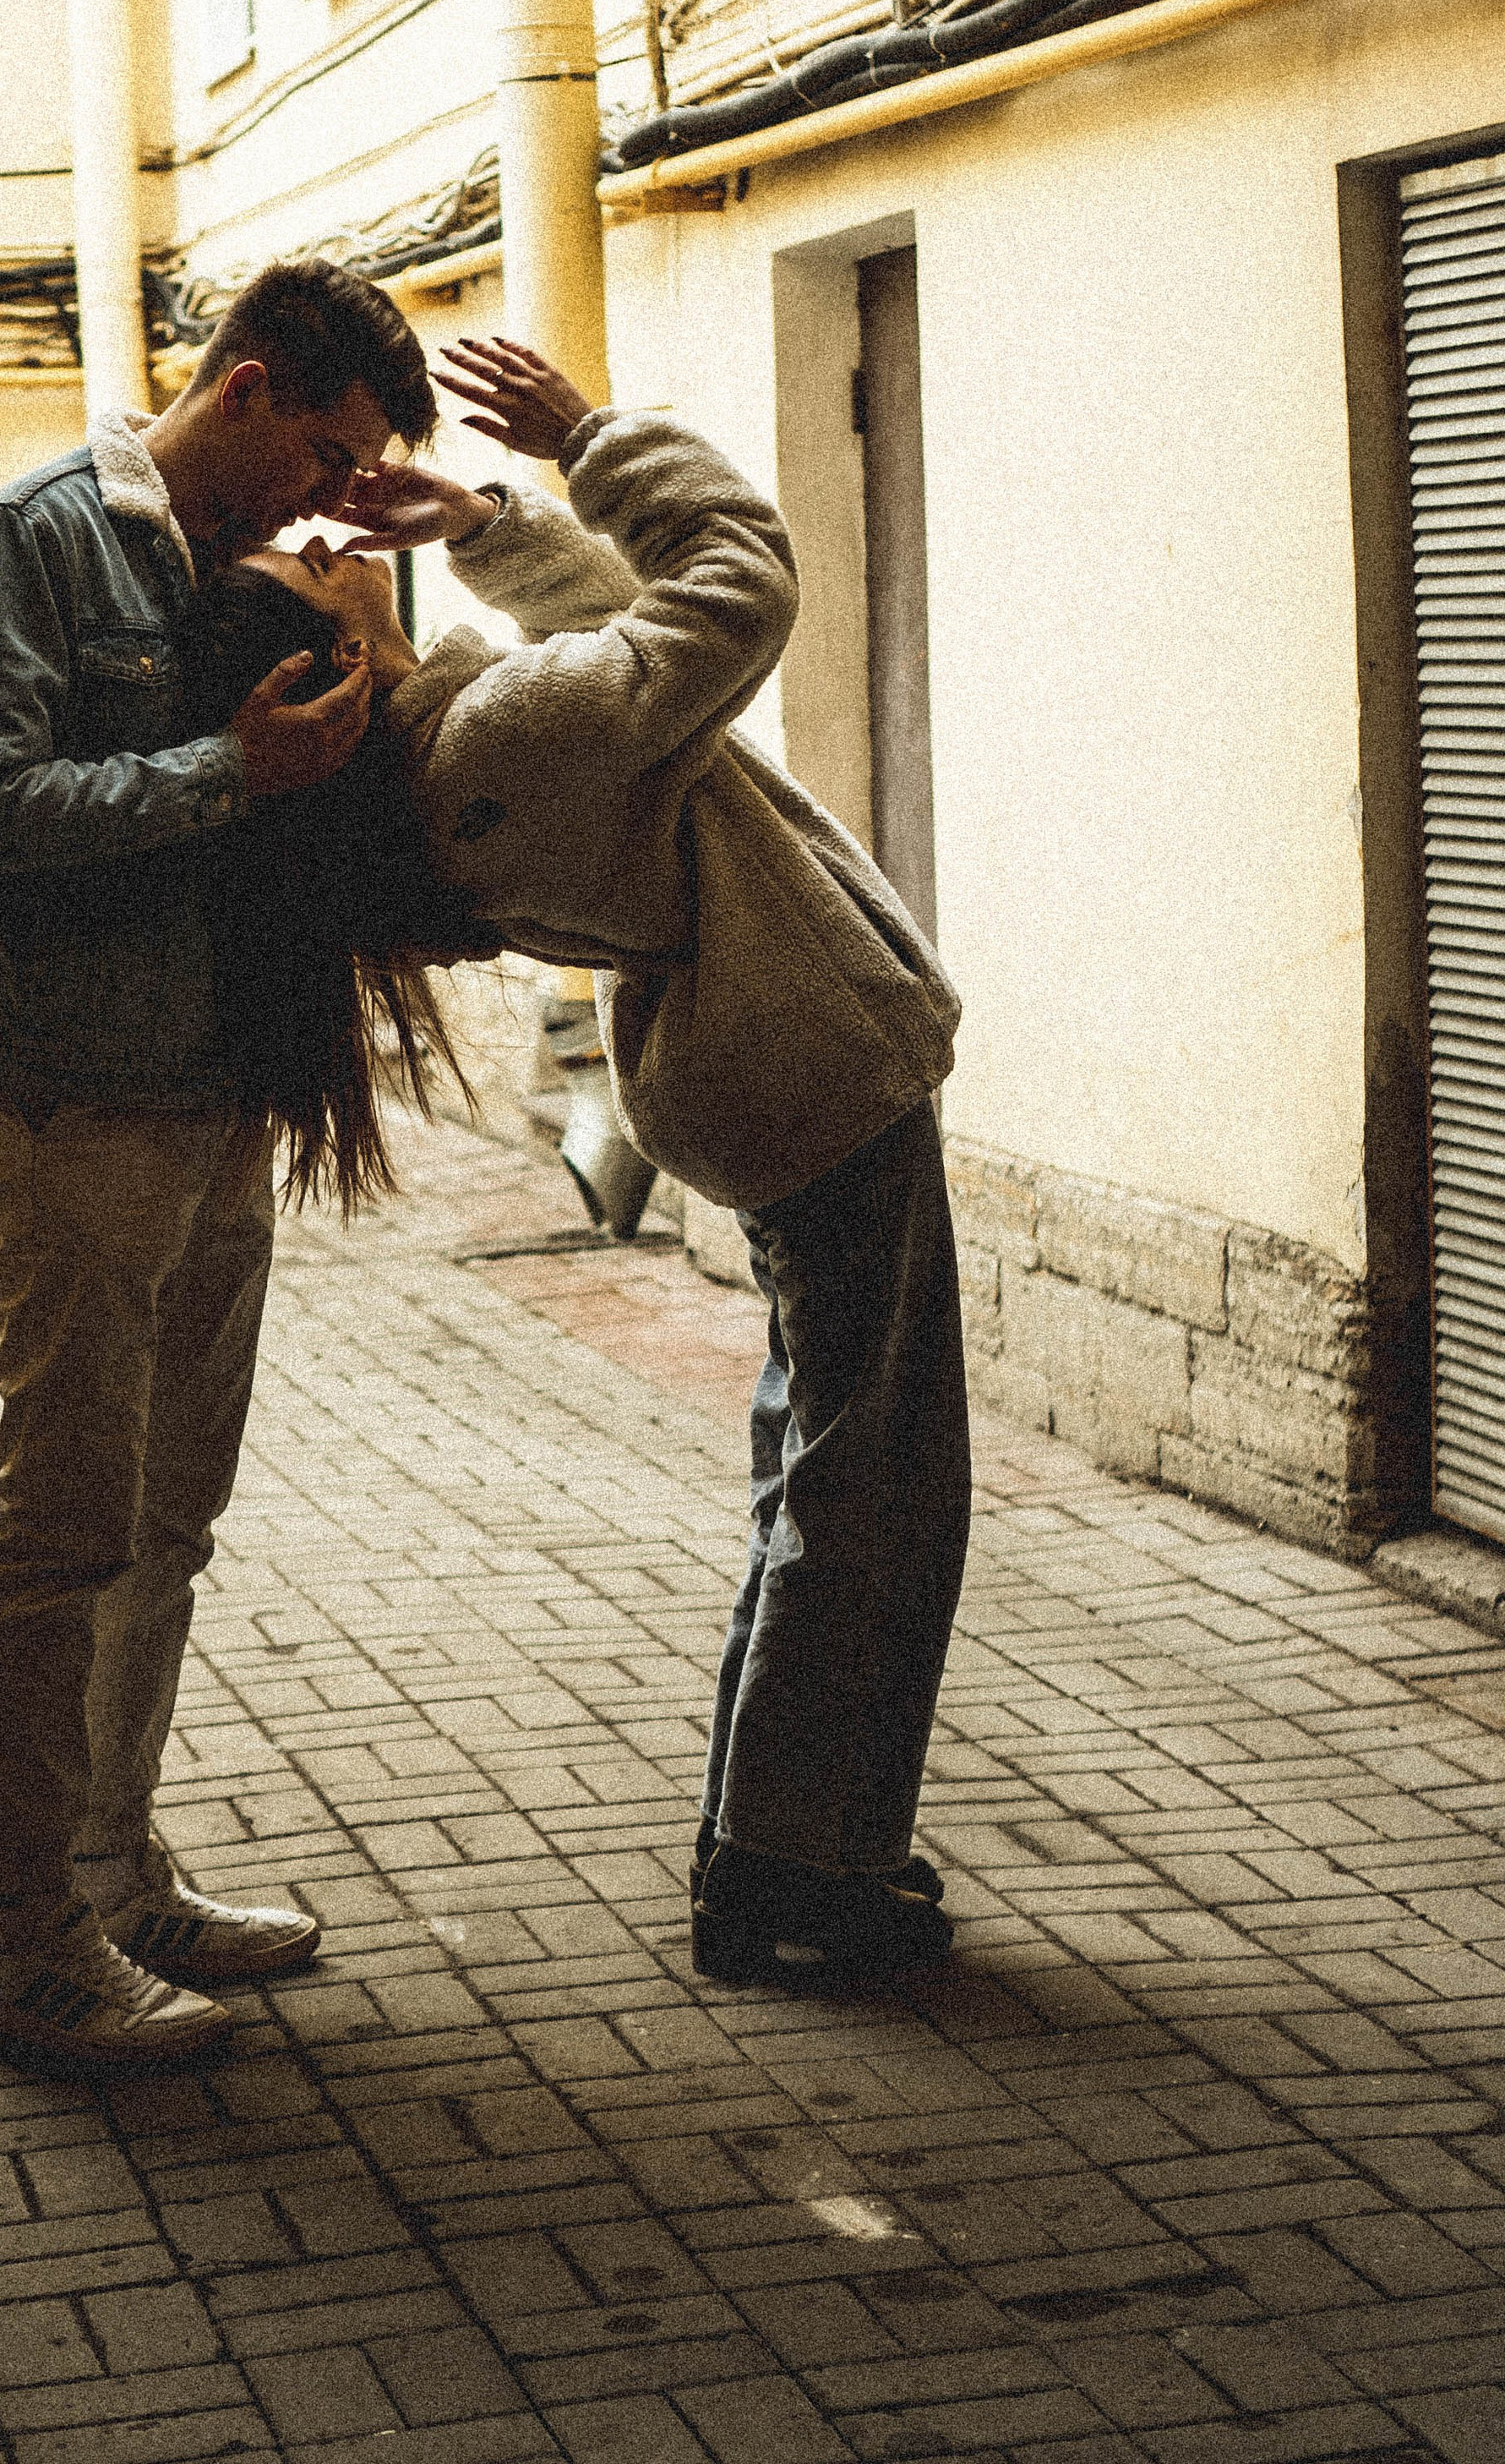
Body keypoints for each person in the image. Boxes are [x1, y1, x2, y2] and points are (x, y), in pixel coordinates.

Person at [240, 333, 969, 1991]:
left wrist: (484, 518)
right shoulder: (495, 747)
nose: (336, 547)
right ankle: (795, 1869)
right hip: (804, 1076)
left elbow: (596, 652)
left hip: (759, 1074)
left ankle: (785, 1841)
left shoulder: (462, 756)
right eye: (310, 564)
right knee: (873, 1487)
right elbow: (734, 589)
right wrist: (591, 438)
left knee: (830, 1468)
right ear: (321, 666)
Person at [0, 258, 438, 2068]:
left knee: (167, 1522)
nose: (321, 487)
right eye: (325, 445)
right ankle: (26, 1943)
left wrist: (403, 543)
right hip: (78, 1099)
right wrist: (226, 770)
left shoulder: (228, 565)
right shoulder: (38, 543)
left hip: (214, 1097)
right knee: (60, 1530)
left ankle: (117, 1874)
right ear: (245, 383)